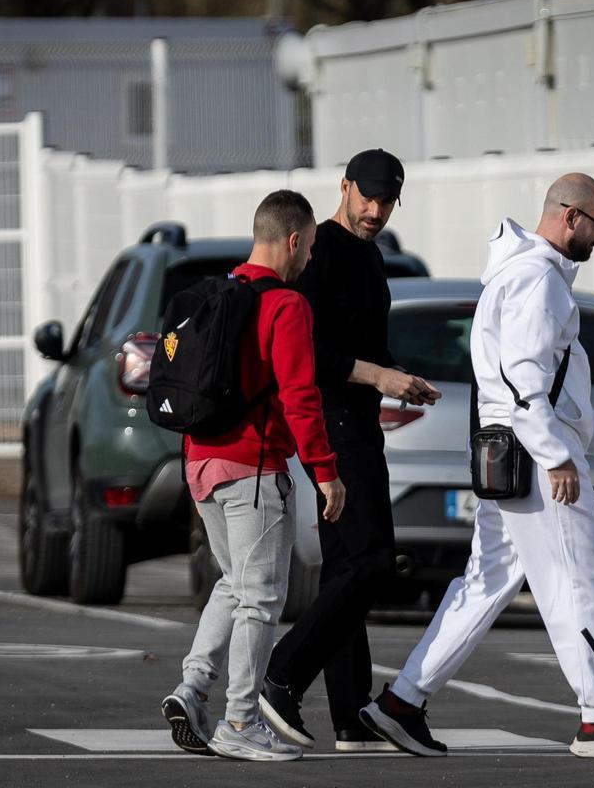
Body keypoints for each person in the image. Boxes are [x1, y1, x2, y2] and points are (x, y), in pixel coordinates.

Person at [359, 174, 594, 759]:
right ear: (570, 216)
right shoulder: (539, 279)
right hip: (535, 460)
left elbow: (554, 384)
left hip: (508, 456)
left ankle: (401, 703)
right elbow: (525, 380)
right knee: (582, 580)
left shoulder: (522, 273)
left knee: (485, 582)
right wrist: (557, 455)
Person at [259, 149, 442, 753]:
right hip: (331, 425)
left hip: (360, 422)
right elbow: (308, 355)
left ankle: (350, 713)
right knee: (372, 561)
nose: (376, 210)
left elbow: (365, 344)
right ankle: (283, 674)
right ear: (344, 187)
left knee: (346, 568)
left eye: (387, 201)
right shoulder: (322, 253)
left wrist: (401, 378)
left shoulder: (371, 256)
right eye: (368, 197)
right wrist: (378, 376)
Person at [160, 189, 346, 762]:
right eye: (309, 248)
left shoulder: (219, 295)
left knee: (235, 584)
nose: (308, 259)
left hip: (201, 463)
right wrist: (326, 472)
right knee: (262, 598)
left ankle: (193, 689)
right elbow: (300, 397)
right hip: (255, 469)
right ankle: (240, 721)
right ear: (293, 241)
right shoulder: (286, 306)